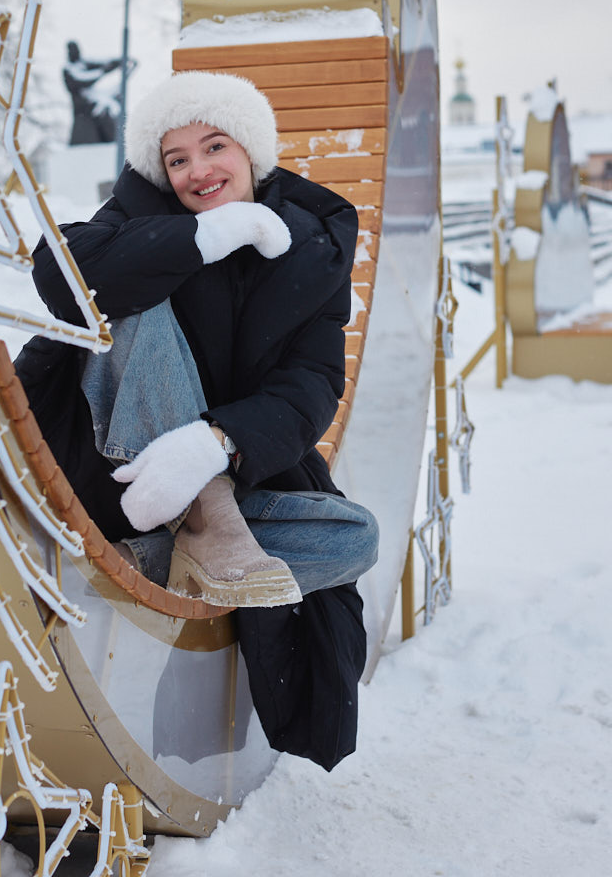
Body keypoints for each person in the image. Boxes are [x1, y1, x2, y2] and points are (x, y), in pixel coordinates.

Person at [19, 70, 379, 613]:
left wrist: (216, 445)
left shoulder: (310, 245)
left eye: (215, 146)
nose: (199, 171)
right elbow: (62, 274)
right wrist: (204, 237)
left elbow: (311, 382)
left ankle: (148, 555)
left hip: (229, 470)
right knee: (128, 294)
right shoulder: (140, 218)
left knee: (356, 538)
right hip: (117, 474)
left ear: (251, 151)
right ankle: (206, 522)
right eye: (177, 160)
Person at [63, 40, 122, 146]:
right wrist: (103, 72)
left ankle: (112, 141)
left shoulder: (83, 63)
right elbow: (82, 80)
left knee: (105, 110)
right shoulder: (68, 70)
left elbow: (102, 63)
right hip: (81, 109)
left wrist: (116, 62)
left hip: (92, 106)